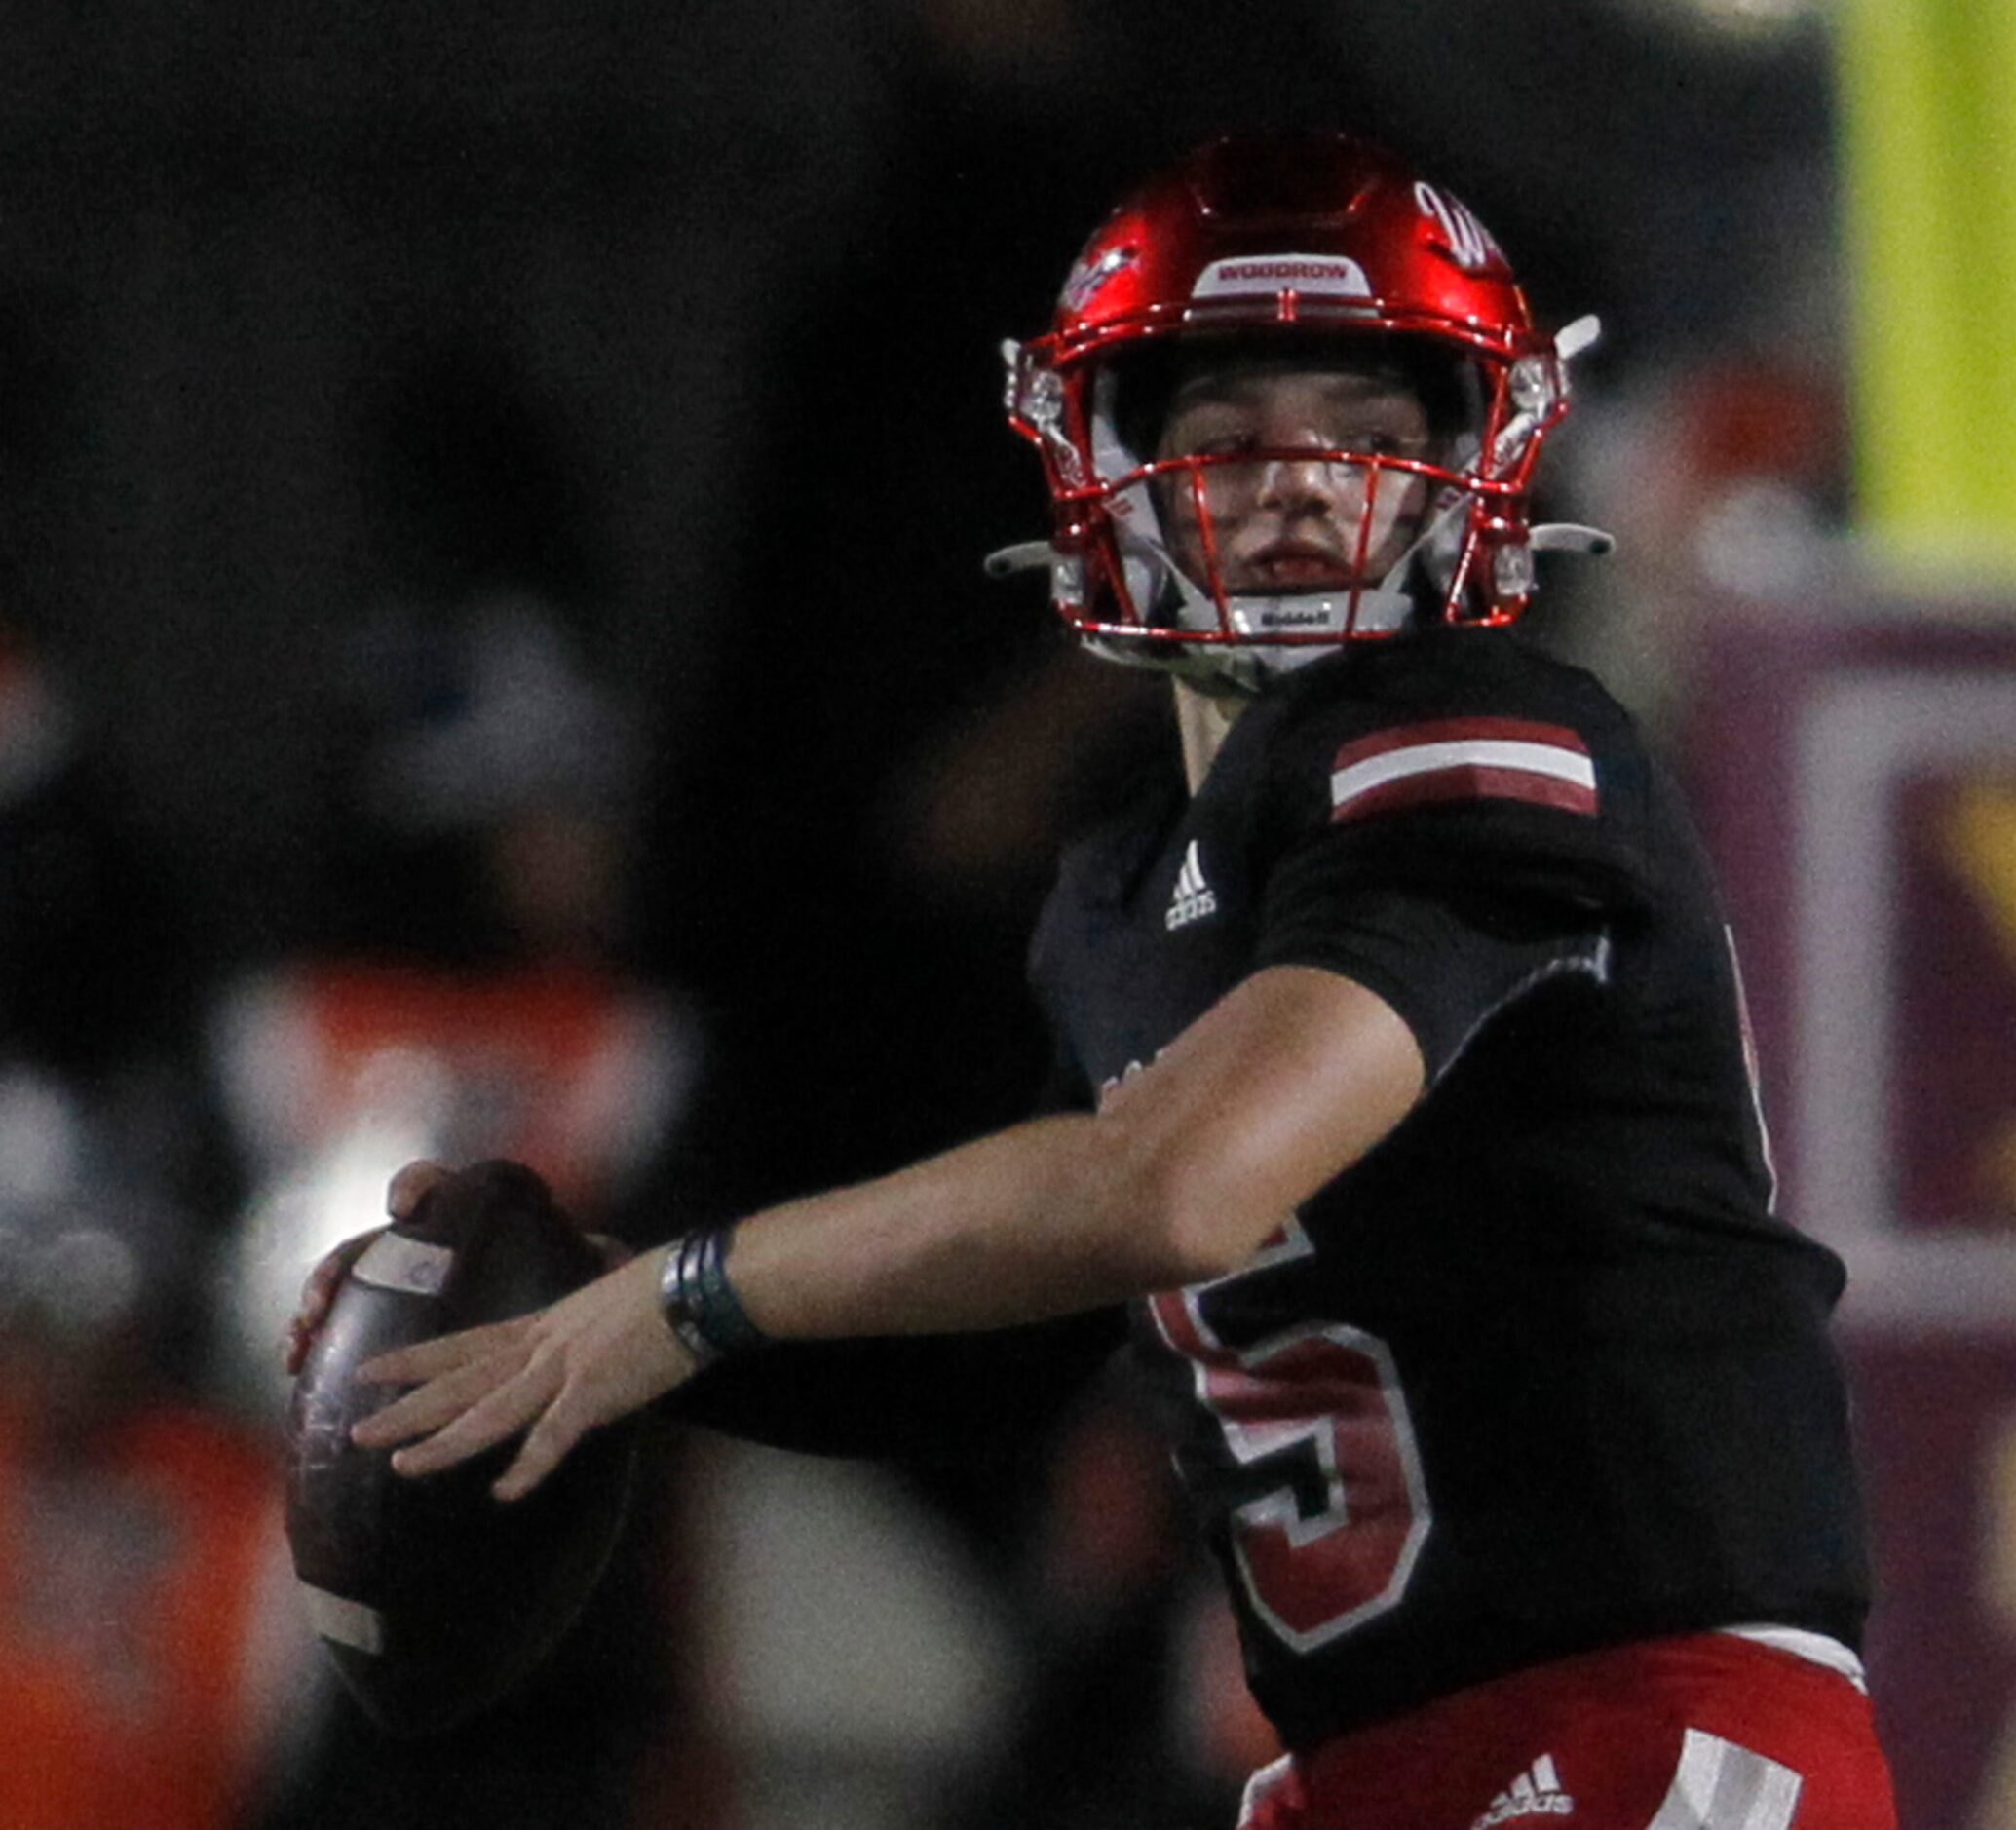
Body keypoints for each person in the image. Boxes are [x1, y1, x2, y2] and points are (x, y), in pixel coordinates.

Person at [292, 133, 1899, 1829]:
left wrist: (689, 1289)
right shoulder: (1129, 892)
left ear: (1476, 450)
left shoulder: (1486, 744)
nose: (1298, 484)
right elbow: (1016, 1339)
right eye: (1226, 434)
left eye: (1364, 430)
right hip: (1377, 1765)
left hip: (1644, 1720)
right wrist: (620, 1334)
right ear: (1100, 463)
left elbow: (1182, 1185)